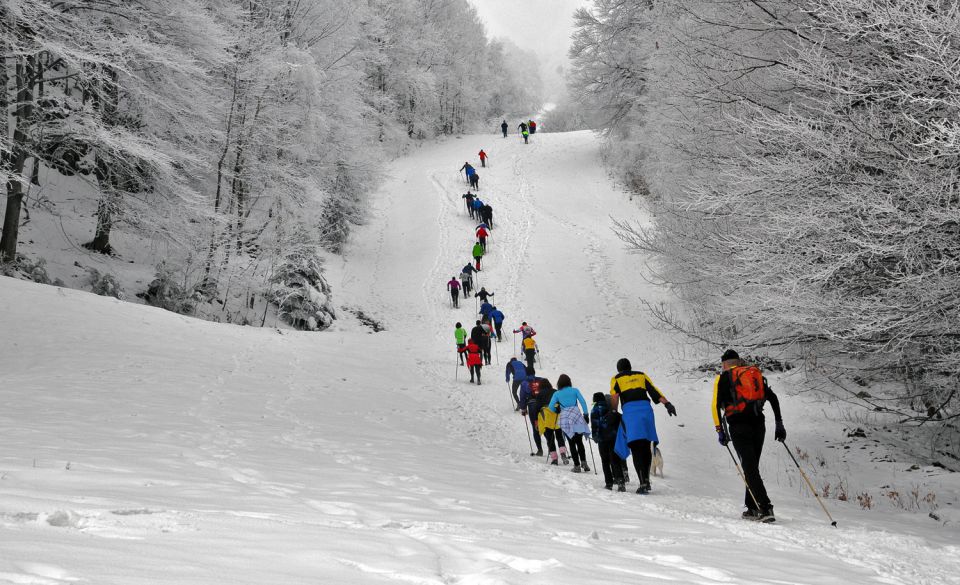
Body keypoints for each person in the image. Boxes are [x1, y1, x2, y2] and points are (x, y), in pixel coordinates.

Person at [712, 349, 785, 522]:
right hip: (759, 425)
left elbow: (715, 406)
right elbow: (773, 398)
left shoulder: (723, 378)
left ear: (725, 364)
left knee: (749, 468)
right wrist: (779, 423)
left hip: (739, 426)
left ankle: (765, 508)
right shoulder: (753, 375)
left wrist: (720, 430)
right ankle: (752, 508)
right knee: (751, 467)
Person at [611, 358, 677, 494]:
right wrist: (667, 404)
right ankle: (646, 481)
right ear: (630, 367)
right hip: (646, 413)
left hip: (631, 414)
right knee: (646, 446)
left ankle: (642, 484)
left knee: (636, 447)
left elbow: (615, 397)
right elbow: (654, 391)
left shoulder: (616, 379)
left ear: (619, 369)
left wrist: (613, 412)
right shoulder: (641, 375)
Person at [549, 374, 591, 473]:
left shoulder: (557, 394)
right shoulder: (575, 390)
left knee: (571, 442)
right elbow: (583, 402)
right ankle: (584, 463)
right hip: (576, 416)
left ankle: (576, 465)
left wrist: (557, 409)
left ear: (559, 383)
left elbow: (551, 407)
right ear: (569, 382)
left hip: (566, 418)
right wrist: (585, 414)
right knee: (579, 442)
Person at [592, 392, 625, 491]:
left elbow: (595, 425)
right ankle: (621, 482)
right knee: (615, 460)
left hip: (602, 439)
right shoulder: (611, 409)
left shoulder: (595, 410)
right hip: (613, 438)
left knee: (605, 461)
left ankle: (609, 483)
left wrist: (595, 437)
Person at [535, 378, 569, 465]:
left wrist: (536, 420)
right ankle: (563, 453)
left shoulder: (539, 394)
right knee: (559, 436)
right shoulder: (555, 391)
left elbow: (537, 408)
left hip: (546, 417)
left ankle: (554, 459)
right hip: (556, 415)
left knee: (550, 439)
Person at [518, 367, 547, 456]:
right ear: (534, 372)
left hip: (532, 406)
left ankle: (540, 450)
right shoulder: (541, 380)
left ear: (526, 374)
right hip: (543, 406)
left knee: (536, 427)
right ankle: (551, 448)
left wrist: (523, 408)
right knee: (546, 426)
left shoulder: (524, 383)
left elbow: (522, 397)